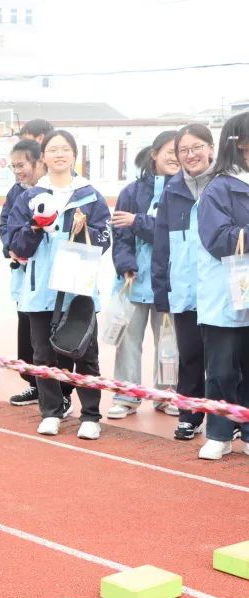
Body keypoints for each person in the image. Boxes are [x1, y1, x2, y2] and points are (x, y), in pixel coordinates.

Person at [6, 130, 112, 439]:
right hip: (41, 289)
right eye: (53, 149)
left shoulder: (89, 194)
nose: (59, 154)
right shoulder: (29, 196)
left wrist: (83, 231)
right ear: (44, 157)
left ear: (75, 156)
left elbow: (104, 239)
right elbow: (16, 245)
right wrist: (35, 228)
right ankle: (50, 412)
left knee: (86, 355)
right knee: (42, 355)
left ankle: (91, 415)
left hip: (79, 287)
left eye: (65, 149)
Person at [107, 131, 180, 420]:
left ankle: (166, 394)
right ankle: (126, 395)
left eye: (180, 151)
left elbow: (168, 234)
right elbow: (119, 232)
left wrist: (138, 221)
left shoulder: (187, 192)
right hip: (134, 280)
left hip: (171, 282)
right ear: (154, 154)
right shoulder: (131, 192)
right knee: (128, 341)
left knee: (169, 344)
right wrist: (126, 263)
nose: (175, 157)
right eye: (170, 151)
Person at [151, 124, 215, 440]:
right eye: (184, 150)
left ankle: (226, 419)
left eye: (197, 147)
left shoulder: (226, 184)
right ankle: (190, 414)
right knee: (189, 356)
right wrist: (162, 290)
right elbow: (162, 245)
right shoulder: (172, 191)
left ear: (212, 148)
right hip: (185, 290)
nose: (191, 155)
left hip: (220, 292)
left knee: (226, 361)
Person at [195, 112, 249, 460]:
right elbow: (218, 239)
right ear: (239, 144)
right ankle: (218, 431)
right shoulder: (220, 187)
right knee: (222, 368)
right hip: (226, 295)